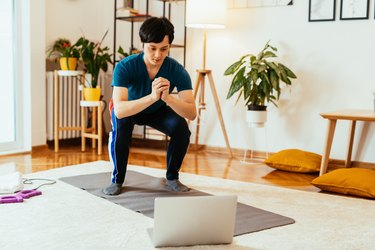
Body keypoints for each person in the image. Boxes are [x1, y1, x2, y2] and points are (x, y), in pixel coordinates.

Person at [103, 17, 197, 195]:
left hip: (156, 110)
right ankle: (117, 180)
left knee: (181, 128)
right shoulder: (125, 66)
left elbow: (191, 113)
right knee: (120, 127)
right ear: (143, 44)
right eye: (152, 48)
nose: (157, 55)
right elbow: (120, 109)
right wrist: (153, 96)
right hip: (129, 109)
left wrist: (168, 98)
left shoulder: (177, 70)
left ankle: (172, 177)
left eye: (164, 49)